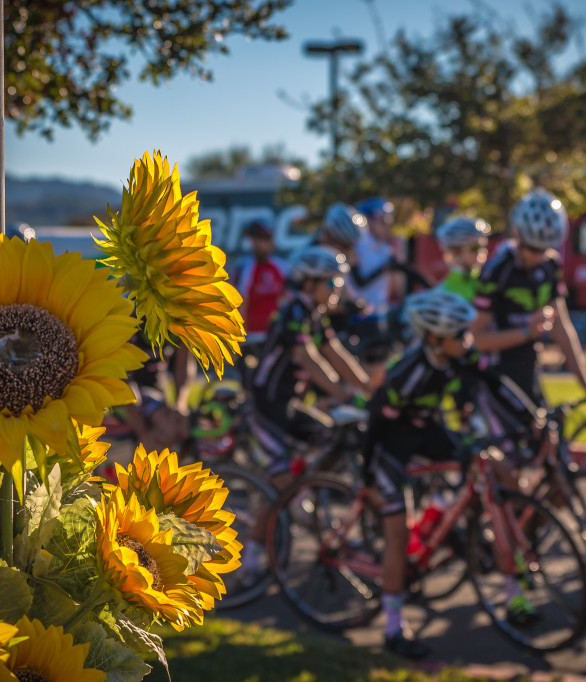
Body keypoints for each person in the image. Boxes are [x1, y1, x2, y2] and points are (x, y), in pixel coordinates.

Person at [364, 289, 541, 659]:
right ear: (434, 338)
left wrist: (529, 416)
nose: (469, 340)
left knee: (490, 462)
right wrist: (368, 476)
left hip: (426, 429)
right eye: (460, 335)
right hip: (389, 444)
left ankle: (511, 586)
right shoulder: (408, 374)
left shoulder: (457, 352)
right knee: (396, 537)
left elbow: (493, 381)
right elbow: (376, 423)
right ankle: (393, 628)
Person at [242, 246, 372, 570]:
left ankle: (308, 494)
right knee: (281, 488)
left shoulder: (314, 313)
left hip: (289, 405)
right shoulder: (294, 310)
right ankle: (255, 555)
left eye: (339, 284)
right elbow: (307, 358)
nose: (337, 290)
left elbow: (335, 352)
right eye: (332, 284)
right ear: (310, 283)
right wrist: (342, 391)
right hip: (266, 407)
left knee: (330, 433)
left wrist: (371, 388)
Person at [471, 188, 586, 409]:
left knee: (550, 434)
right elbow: (477, 339)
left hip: (528, 368)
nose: (537, 257)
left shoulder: (550, 266)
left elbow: (561, 327)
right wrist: (526, 333)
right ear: (518, 236)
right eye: (531, 248)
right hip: (494, 375)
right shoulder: (497, 271)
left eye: (544, 249)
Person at [230, 219, 287, 352]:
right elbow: (239, 303)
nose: (264, 244)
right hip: (251, 338)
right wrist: (237, 336)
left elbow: (287, 298)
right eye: (258, 240)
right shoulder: (245, 267)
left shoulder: (281, 266)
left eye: (267, 239)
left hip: (276, 336)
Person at [354, 197, 406, 314]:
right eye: (383, 221)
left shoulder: (385, 248)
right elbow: (359, 283)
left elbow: (396, 287)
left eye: (388, 221)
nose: (387, 226)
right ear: (368, 220)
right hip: (358, 314)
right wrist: (385, 267)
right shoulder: (357, 246)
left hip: (379, 312)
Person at [436, 216, 491, 302]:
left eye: (483, 246)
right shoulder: (448, 292)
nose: (482, 251)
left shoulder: (484, 277)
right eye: (475, 247)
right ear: (455, 250)